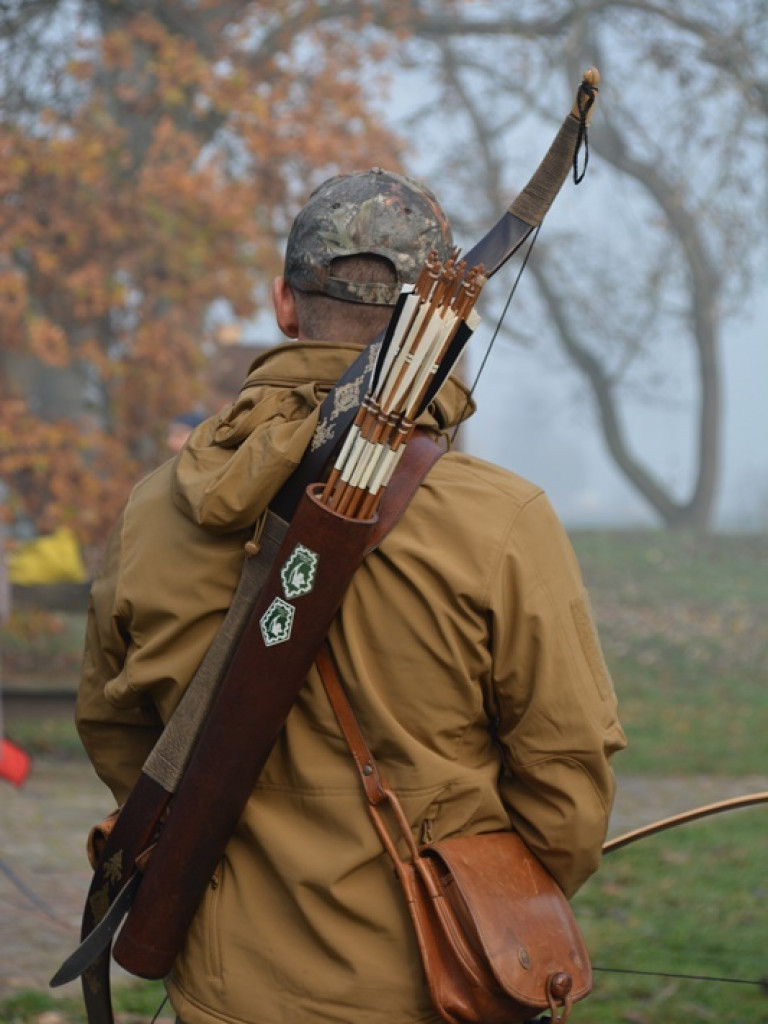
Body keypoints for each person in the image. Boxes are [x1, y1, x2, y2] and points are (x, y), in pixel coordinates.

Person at [75, 168, 626, 1024]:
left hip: (224, 995)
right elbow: (567, 793)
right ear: (445, 326)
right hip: (432, 994)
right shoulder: (506, 521)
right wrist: (487, 905)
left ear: (284, 305)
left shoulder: (153, 510)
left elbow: (115, 731)